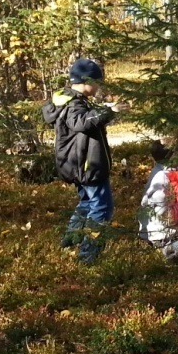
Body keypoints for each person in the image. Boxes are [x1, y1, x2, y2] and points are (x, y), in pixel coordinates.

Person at [41, 58, 127, 264]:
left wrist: (104, 108)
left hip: (78, 165)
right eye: (96, 82)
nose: (98, 86)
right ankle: (88, 255)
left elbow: (85, 117)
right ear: (85, 81)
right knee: (101, 207)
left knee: (87, 202)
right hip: (88, 166)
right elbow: (81, 122)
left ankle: (70, 241)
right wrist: (109, 111)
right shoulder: (74, 105)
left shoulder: (68, 100)